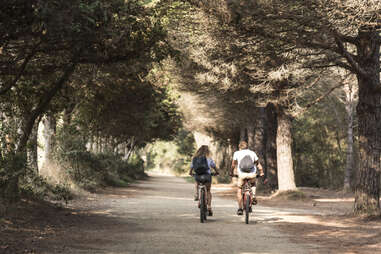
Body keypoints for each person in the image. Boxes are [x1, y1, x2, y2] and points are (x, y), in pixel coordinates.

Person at [230, 141, 264, 215]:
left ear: (240, 147)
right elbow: (258, 164)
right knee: (253, 184)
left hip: (242, 175)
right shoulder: (252, 153)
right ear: (247, 147)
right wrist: (261, 172)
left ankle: (240, 208)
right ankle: (253, 195)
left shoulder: (236, 153)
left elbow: (233, 165)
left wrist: (231, 173)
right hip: (252, 174)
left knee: (239, 189)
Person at [189, 145, 219, 216]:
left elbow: (191, 168)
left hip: (198, 176)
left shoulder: (195, 158)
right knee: (208, 191)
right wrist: (217, 172)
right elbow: (214, 167)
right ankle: (209, 207)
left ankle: (196, 194)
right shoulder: (209, 158)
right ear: (207, 151)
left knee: (197, 180)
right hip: (207, 176)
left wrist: (191, 173)